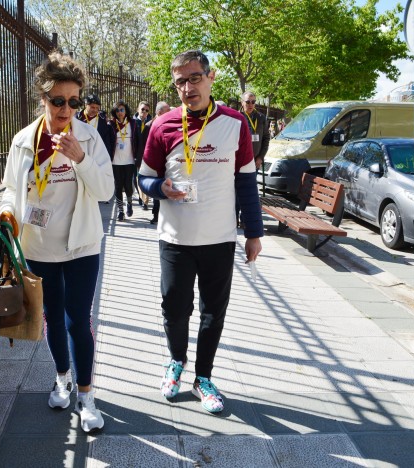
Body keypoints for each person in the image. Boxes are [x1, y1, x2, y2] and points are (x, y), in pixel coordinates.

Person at [0, 52, 114, 432]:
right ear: (42, 99)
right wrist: (6, 213)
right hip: (39, 246)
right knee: (52, 319)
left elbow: (106, 190)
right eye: (58, 101)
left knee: (79, 320)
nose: (66, 109)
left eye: (74, 101)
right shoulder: (23, 141)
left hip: (81, 246)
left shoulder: (89, 139)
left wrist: (80, 159)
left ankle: (87, 395)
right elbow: (12, 189)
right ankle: (62, 378)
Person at [138, 50, 263, 413]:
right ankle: (176, 361)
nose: (187, 87)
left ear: (210, 77)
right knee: (174, 310)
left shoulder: (236, 123)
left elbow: (246, 183)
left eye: (194, 78)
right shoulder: (163, 126)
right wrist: (160, 189)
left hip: (219, 239)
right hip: (175, 238)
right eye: (180, 81)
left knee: (213, 312)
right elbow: (143, 177)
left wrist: (253, 234)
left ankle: (203, 376)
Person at [237, 91, 270, 226]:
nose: (251, 104)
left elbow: (266, 138)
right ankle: (234, 219)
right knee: (235, 192)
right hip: (237, 161)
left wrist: (261, 157)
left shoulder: (261, 117)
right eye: (248, 102)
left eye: (253, 102)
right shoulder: (236, 117)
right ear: (242, 102)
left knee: (249, 193)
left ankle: (245, 220)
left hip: (254, 161)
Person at [109, 99, 139, 221]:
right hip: (115, 161)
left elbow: (137, 141)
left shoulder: (133, 123)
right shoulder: (110, 125)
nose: (120, 112)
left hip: (129, 160)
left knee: (128, 185)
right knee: (118, 186)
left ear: (126, 110)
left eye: (122, 109)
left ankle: (130, 203)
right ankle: (121, 211)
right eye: (117, 110)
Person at [143, 100, 170, 224]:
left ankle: (163, 215)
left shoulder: (170, 125)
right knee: (157, 188)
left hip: (167, 163)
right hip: (154, 163)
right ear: (159, 112)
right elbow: (143, 146)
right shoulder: (149, 126)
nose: (170, 113)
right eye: (167, 111)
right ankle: (156, 214)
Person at [134, 101, 152, 210]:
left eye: (146, 110)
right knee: (135, 180)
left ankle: (145, 201)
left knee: (144, 177)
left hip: (147, 156)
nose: (144, 112)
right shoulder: (132, 122)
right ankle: (141, 197)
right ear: (138, 110)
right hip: (135, 156)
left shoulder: (150, 123)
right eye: (142, 109)